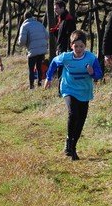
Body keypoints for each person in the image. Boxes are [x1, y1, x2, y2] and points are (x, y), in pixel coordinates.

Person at [44, 30, 103, 160]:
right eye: (76, 46)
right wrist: (48, 78)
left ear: (85, 46)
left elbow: (99, 75)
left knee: (81, 120)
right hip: (68, 89)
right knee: (73, 113)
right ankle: (69, 141)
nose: (79, 49)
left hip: (84, 91)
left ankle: (73, 146)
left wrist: (92, 73)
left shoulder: (91, 58)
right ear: (71, 46)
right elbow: (54, 62)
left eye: (81, 46)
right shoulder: (66, 57)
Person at [17, 11, 49, 89]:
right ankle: (40, 83)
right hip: (41, 49)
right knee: (39, 67)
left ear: (24, 18)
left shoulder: (24, 26)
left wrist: (20, 44)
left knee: (31, 69)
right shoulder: (39, 24)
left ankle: (31, 86)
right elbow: (47, 36)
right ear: (32, 16)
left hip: (32, 50)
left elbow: (22, 41)